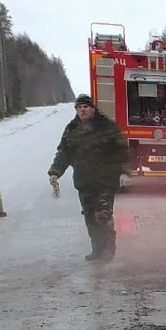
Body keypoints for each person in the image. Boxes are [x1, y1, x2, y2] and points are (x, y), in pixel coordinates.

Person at [48, 95, 129, 261]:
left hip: (105, 181)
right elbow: (64, 153)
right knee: (90, 218)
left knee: (103, 215)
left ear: (93, 109)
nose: (82, 110)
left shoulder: (107, 127)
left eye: (86, 107)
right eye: (79, 108)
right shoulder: (72, 129)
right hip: (84, 182)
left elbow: (122, 151)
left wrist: (125, 171)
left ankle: (109, 249)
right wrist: (55, 172)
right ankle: (97, 249)